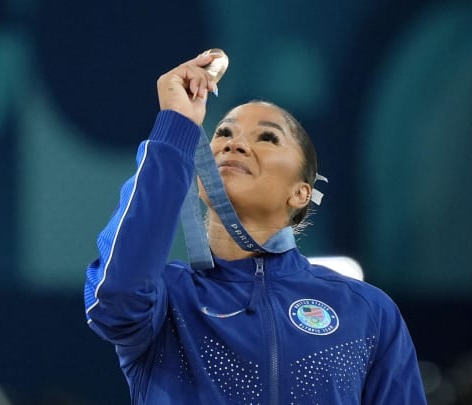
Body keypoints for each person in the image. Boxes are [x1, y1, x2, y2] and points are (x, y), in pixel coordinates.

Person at [84, 50, 427, 404]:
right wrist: (176, 125)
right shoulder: (168, 298)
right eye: (223, 133)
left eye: (267, 137)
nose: (234, 144)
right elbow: (116, 298)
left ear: (301, 193)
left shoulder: (365, 310)